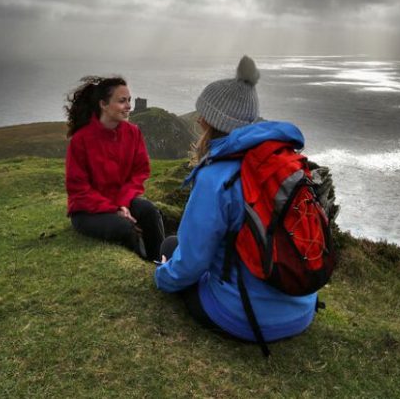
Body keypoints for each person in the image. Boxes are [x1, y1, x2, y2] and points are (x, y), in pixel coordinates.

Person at [154, 56, 318, 344]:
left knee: (170, 246)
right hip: (301, 309)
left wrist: (161, 277)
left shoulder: (216, 176)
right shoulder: (282, 161)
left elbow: (192, 263)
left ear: (207, 120)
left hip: (245, 318)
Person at [65, 75, 165, 261]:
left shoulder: (133, 133)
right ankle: (142, 268)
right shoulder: (81, 140)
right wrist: (114, 209)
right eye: (122, 101)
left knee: (150, 212)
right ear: (103, 104)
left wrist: (123, 204)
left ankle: (162, 264)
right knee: (124, 228)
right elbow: (79, 190)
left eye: (129, 100)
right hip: (87, 211)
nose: (129, 106)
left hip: (121, 202)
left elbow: (140, 172)